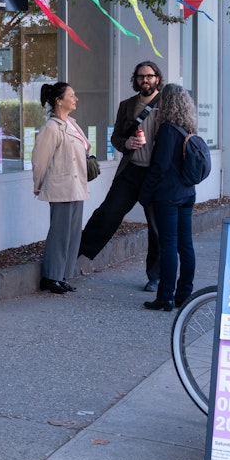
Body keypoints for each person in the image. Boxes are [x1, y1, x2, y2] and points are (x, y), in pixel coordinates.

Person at [77, 60, 163, 291]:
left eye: (149, 76)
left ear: (157, 78)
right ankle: (77, 253)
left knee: (157, 226)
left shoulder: (167, 104)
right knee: (108, 212)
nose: (145, 80)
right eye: (140, 76)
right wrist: (127, 143)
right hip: (132, 169)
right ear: (135, 80)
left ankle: (155, 277)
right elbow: (115, 138)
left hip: (157, 175)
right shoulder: (127, 105)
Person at [140, 84, 199, 311]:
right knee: (186, 245)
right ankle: (184, 294)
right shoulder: (188, 127)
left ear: (168, 103)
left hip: (168, 196)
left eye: (162, 100)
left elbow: (159, 166)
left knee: (168, 245)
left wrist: (145, 193)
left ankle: (165, 296)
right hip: (187, 193)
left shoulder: (167, 130)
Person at [30, 82, 89, 295]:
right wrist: (38, 185)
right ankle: (51, 276)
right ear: (59, 100)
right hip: (61, 186)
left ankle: (62, 275)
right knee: (60, 233)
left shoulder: (71, 123)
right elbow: (40, 160)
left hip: (76, 186)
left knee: (73, 234)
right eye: (72, 95)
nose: (76, 99)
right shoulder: (51, 128)